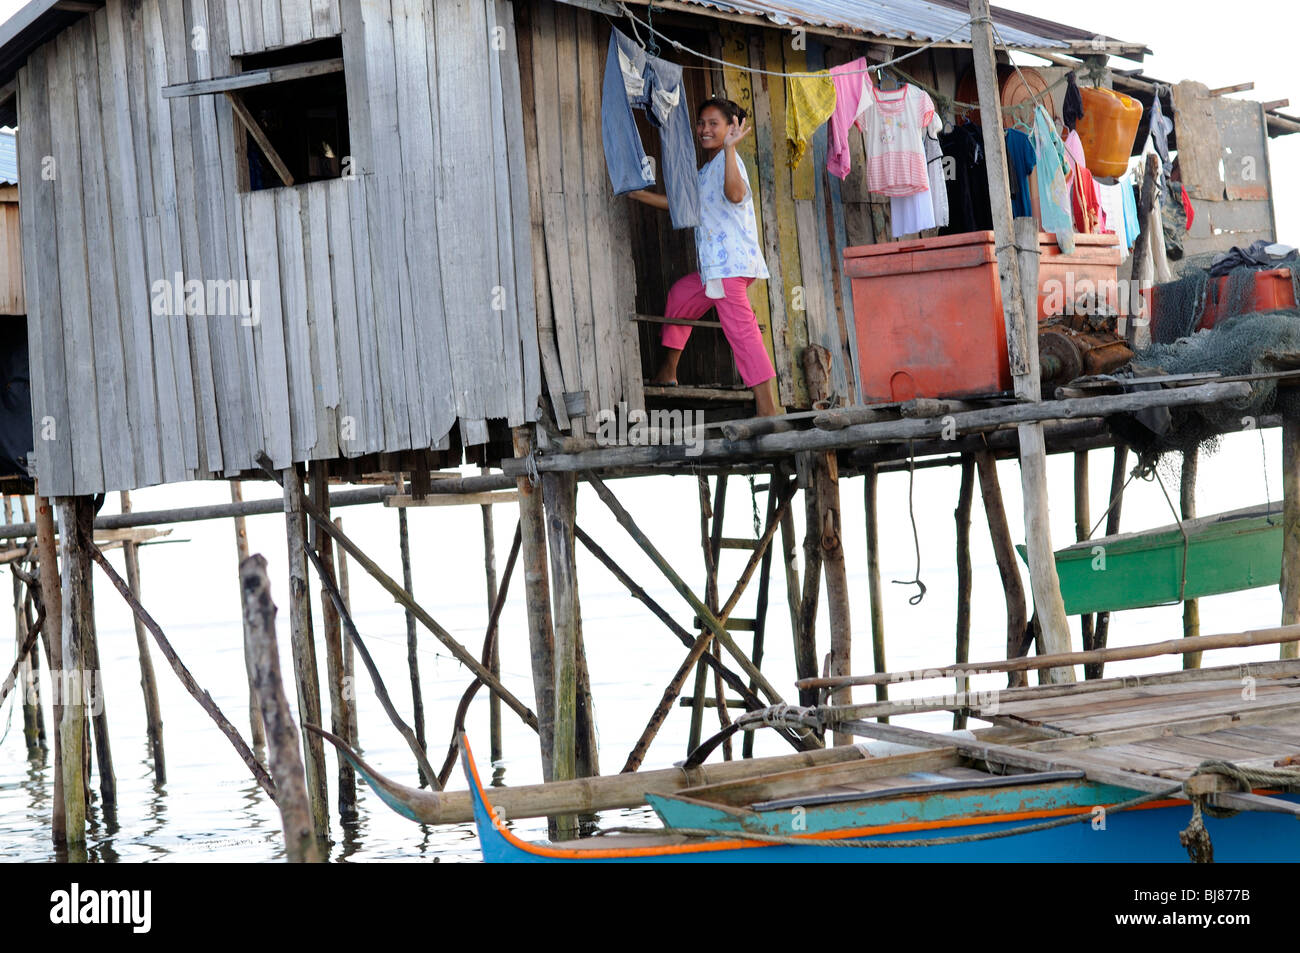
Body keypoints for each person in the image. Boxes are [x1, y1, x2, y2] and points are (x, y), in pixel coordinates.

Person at [629, 97, 782, 417]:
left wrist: (729, 149)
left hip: (729, 268)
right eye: (702, 123)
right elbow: (682, 208)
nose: (705, 129)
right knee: (681, 297)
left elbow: (735, 194)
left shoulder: (731, 162)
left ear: (731, 128)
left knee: (743, 333)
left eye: (714, 123)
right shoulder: (707, 171)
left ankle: (769, 408)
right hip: (713, 270)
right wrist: (639, 194)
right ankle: (667, 372)